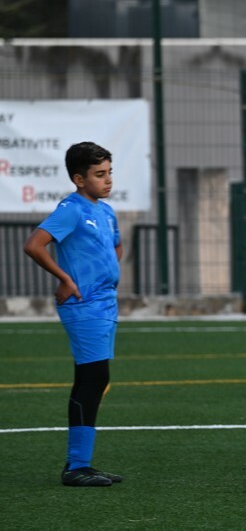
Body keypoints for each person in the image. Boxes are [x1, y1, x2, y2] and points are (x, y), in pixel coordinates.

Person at [23, 142, 124, 487]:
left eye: (109, 172)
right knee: (92, 379)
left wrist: (105, 271)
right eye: (99, 174)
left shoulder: (106, 211)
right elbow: (34, 244)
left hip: (105, 303)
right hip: (84, 306)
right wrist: (66, 278)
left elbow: (115, 246)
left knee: (96, 379)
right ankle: (76, 466)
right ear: (79, 179)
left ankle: (81, 464)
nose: (107, 180)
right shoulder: (71, 209)